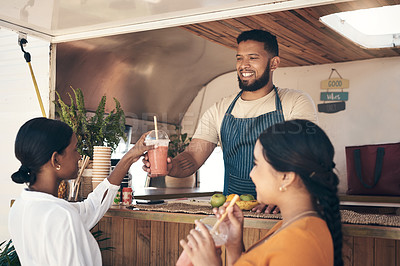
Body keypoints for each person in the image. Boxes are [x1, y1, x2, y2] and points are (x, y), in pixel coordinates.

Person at [143, 29, 317, 213]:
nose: (244, 65)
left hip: (280, 212)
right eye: (239, 58)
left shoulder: (295, 102)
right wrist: (171, 166)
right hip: (232, 213)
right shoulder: (220, 109)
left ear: (274, 63)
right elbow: (192, 157)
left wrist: (284, 193)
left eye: (253, 58)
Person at [179, 119, 343, 266]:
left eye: (256, 164)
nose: (251, 174)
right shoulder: (290, 225)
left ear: (286, 177)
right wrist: (234, 246)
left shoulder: (300, 242)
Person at [9, 117, 152, 266]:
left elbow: (91, 207)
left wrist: (129, 157)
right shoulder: (62, 216)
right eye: (75, 149)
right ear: (56, 159)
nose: (79, 156)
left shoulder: (20, 207)